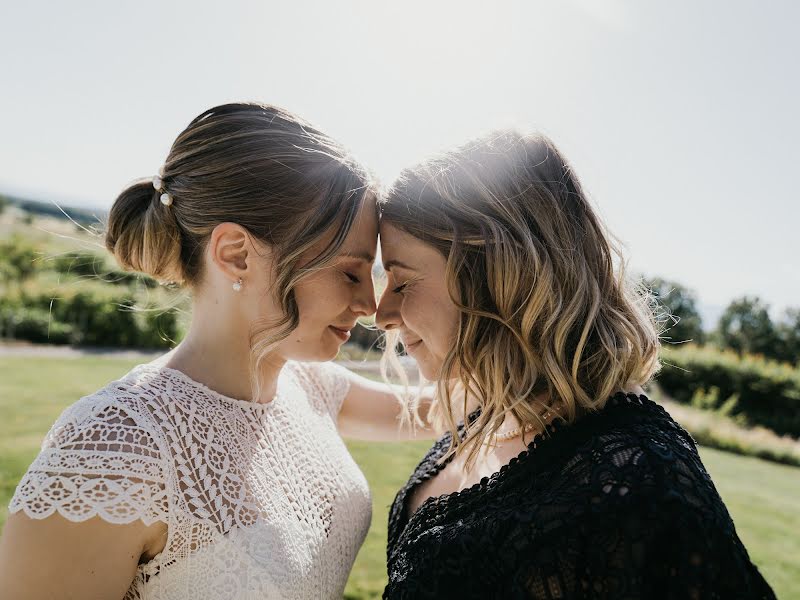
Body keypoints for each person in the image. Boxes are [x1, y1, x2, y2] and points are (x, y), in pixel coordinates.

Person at [0, 102, 433, 600]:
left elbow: (456, 407)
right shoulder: (111, 450)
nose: (368, 304)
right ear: (236, 254)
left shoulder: (309, 386)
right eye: (350, 272)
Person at [375, 130, 776, 599]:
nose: (381, 314)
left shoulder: (638, 484)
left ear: (498, 272)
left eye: (402, 282)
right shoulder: (492, 409)